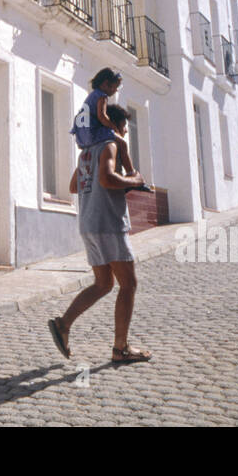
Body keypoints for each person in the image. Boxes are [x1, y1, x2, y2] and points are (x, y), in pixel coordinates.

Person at [48, 103, 152, 364]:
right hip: (108, 224)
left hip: (88, 224)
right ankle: (121, 348)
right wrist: (135, 181)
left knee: (104, 283)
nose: (125, 133)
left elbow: (74, 186)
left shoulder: (86, 152)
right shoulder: (110, 146)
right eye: (124, 127)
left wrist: (111, 185)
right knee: (128, 284)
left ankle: (63, 324)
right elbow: (107, 179)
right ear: (114, 125)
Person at [70, 68, 134, 178]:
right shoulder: (102, 96)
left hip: (82, 135)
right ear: (106, 84)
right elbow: (102, 116)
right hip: (92, 132)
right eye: (116, 86)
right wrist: (114, 129)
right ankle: (131, 174)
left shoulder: (92, 95)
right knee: (122, 144)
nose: (116, 90)